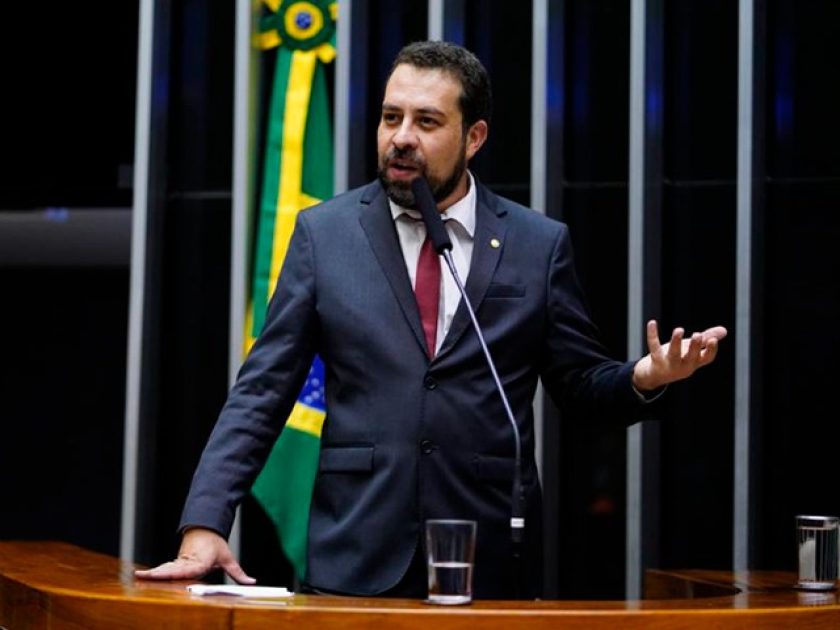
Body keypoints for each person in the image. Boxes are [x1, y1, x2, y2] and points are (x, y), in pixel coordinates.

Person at [135, 41, 726, 599]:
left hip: (490, 555)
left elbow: (580, 388)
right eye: (391, 118)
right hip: (357, 552)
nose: (401, 138)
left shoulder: (535, 245)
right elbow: (261, 392)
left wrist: (646, 377)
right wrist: (205, 521)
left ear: (474, 137)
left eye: (426, 121)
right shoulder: (327, 234)